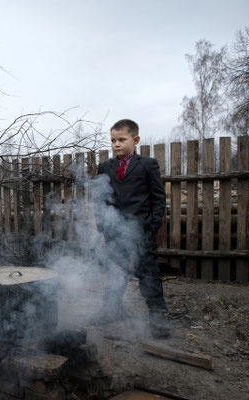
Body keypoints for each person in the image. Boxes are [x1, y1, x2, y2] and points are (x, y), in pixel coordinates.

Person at [94, 119, 170, 339]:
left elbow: (158, 198)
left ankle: (157, 317)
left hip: (141, 232)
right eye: (113, 140)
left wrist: (151, 226)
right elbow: (99, 199)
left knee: (148, 273)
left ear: (135, 140)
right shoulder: (105, 167)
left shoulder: (147, 165)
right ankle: (111, 311)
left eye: (121, 139)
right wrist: (103, 226)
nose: (116, 144)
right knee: (115, 271)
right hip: (114, 231)